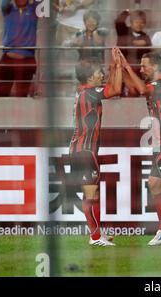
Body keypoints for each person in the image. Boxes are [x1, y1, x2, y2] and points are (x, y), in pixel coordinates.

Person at [119, 51, 161, 246]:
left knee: (154, 183)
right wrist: (120, 68)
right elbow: (133, 87)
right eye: (140, 65)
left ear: (155, 66)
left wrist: (127, 67)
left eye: (144, 65)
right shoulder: (154, 85)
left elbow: (140, 89)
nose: (141, 69)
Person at [69, 48, 123, 246]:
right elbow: (116, 90)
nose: (102, 74)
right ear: (90, 77)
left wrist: (114, 66)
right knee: (91, 195)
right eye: (99, 71)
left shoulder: (85, 92)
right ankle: (95, 237)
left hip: (82, 150)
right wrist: (118, 65)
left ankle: (97, 233)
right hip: (84, 152)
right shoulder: (90, 93)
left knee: (92, 194)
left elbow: (112, 87)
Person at [0, 0, 39, 97]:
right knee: (2, 95)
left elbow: (45, 5)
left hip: (27, 59)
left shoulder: (34, 10)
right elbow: (4, 3)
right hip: (7, 59)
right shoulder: (8, 9)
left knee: (22, 96)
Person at [115, 9, 152, 96]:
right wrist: (126, 12)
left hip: (138, 70)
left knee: (136, 92)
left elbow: (147, 52)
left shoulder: (146, 37)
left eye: (142, 22)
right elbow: (118, 22)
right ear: (131, 22)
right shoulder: (123, 31)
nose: (139, 24)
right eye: (137, 21)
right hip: (123, 68)